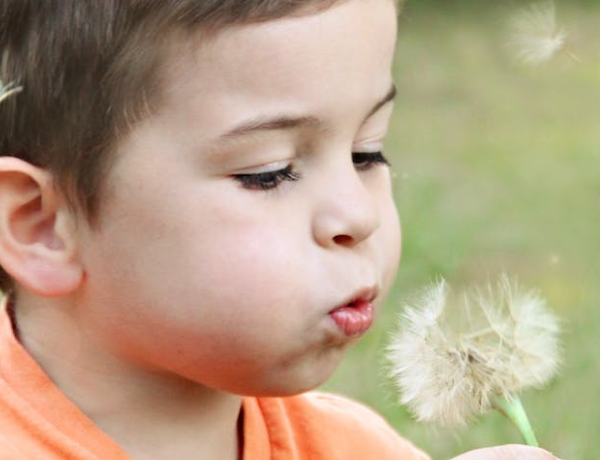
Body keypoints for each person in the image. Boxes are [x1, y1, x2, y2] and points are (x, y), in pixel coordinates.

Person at [0, 1, 559, 459]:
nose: (357, 216)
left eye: (367, 152)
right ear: (42, 225)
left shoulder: (353, 450)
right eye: (268, 174)